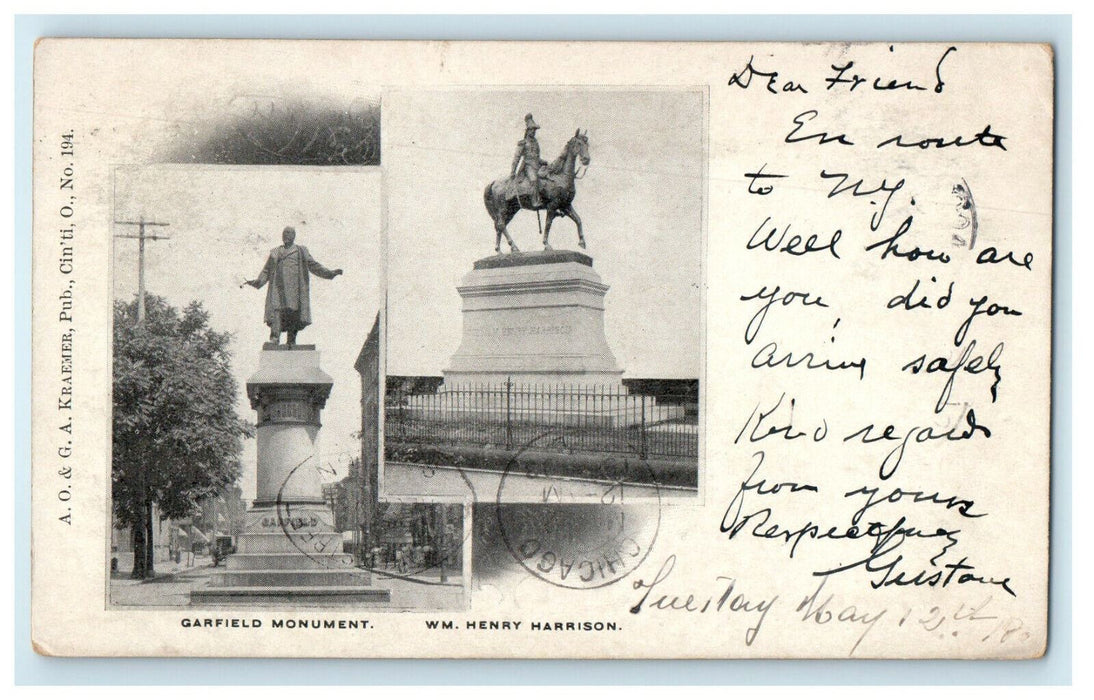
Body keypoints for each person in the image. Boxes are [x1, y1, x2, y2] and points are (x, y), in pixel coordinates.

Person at [244, 226, 343, 347]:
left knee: (293, 312)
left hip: (294, 288)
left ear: (294, 236)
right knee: (276, 311)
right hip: (277, 287)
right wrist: (257, 281)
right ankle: (274, 339)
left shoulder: (300, 250)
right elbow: (266, 270)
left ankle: (291, 340)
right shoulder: (275, 252)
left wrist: (329, 273)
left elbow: (313, 265)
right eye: (284, 233)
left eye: (289, 233)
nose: (286, 235)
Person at [511, 113, 544, 206]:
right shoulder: (523, 143)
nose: (533, 132)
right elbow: (516, 158)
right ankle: (535, 201)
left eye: (534, 130)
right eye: (531, 130)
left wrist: (543, 162)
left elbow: (536, 157)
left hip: (537, 165)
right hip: (528, 166)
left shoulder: (536, 142)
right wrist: (513, 171)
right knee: (534, 180)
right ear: (527, 131)